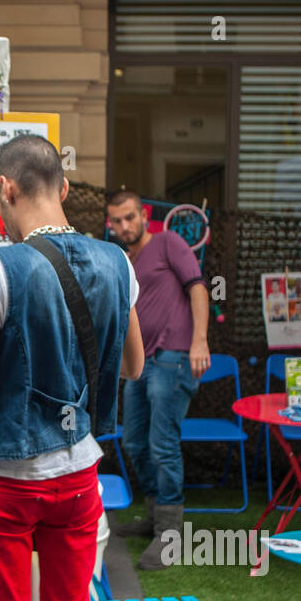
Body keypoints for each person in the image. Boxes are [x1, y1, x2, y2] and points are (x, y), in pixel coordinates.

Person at [0, 135, 143, 601]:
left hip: (5, 484)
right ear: (64, 188)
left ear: (5, 191)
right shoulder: (117, 260)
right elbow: (135, 366)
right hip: (79, 478)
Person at [105, 190, 211, 569]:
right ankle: (154, 515)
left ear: (144, 215)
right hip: (141, 362)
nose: (124, 226)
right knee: (134, 441)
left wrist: (199, 341)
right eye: (117, 221)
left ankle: (171, 534)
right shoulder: (123, 260)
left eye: (130, 217)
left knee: (162, 443)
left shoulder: (168, 242)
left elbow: (198, 287)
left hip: (174, 356)